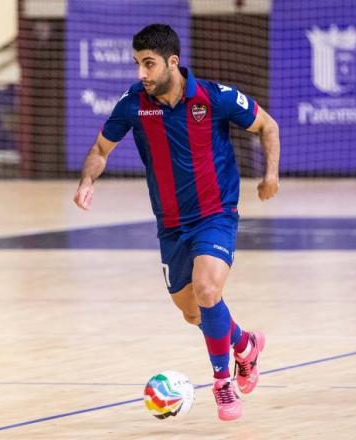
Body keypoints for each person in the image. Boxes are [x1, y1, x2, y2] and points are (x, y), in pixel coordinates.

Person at [73, 24, 280, 421]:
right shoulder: (133, 103)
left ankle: (223, 383)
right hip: (170, 224)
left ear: (172, 62)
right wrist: (87, 180)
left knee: (207, 288)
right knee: (193, 312)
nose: (141, 74)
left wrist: (270, 175)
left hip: (216, 214)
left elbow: (268, 126)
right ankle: (245, 345)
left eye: (148, 64)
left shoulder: (213, 97)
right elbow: (101, 148)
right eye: (137, 64)